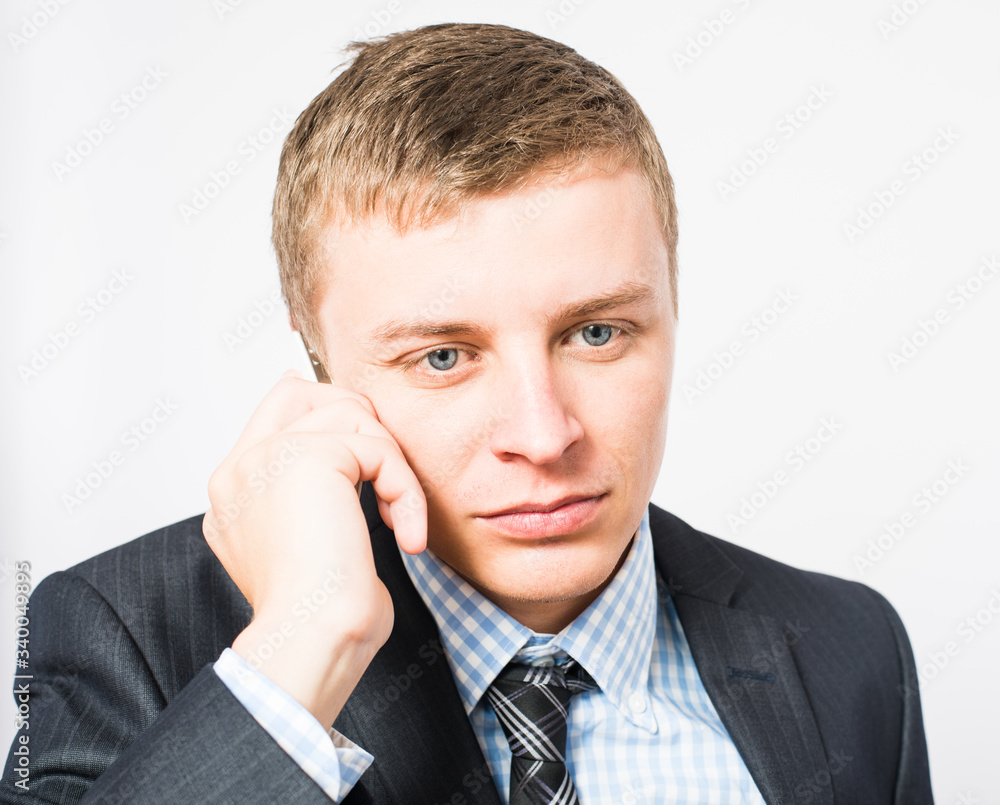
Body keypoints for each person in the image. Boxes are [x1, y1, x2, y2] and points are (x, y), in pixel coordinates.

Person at [2, 22, 932, 805]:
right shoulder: (116, 630)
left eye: (598, 333)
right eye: (443, 356)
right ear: (319, 363)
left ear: (674, 304)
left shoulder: (851, 648)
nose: (543, 433)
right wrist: (292, 663)